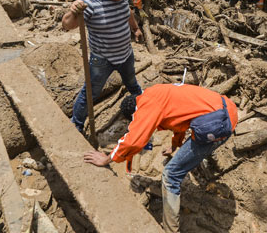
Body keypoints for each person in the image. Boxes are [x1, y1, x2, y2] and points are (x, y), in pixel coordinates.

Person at [83, 84, 238, 233]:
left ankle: (171, 230)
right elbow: (180, 118)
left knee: (170, 176)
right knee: (186, 152)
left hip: (219, 124)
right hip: (224, 109)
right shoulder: (156, 93)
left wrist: (107, 159)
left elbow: (133, 140)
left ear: (134, 113)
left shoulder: (146, 106)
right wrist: (174, 145)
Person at [61, 0, 143, 133]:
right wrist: (74, 12)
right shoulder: (89, 3)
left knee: (133, 84)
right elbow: (67, 25)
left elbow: (128, 12)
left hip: (125, 54)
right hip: (102, 60)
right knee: (89, 94)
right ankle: (76, 125)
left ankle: (142, 107)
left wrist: (135, 28)